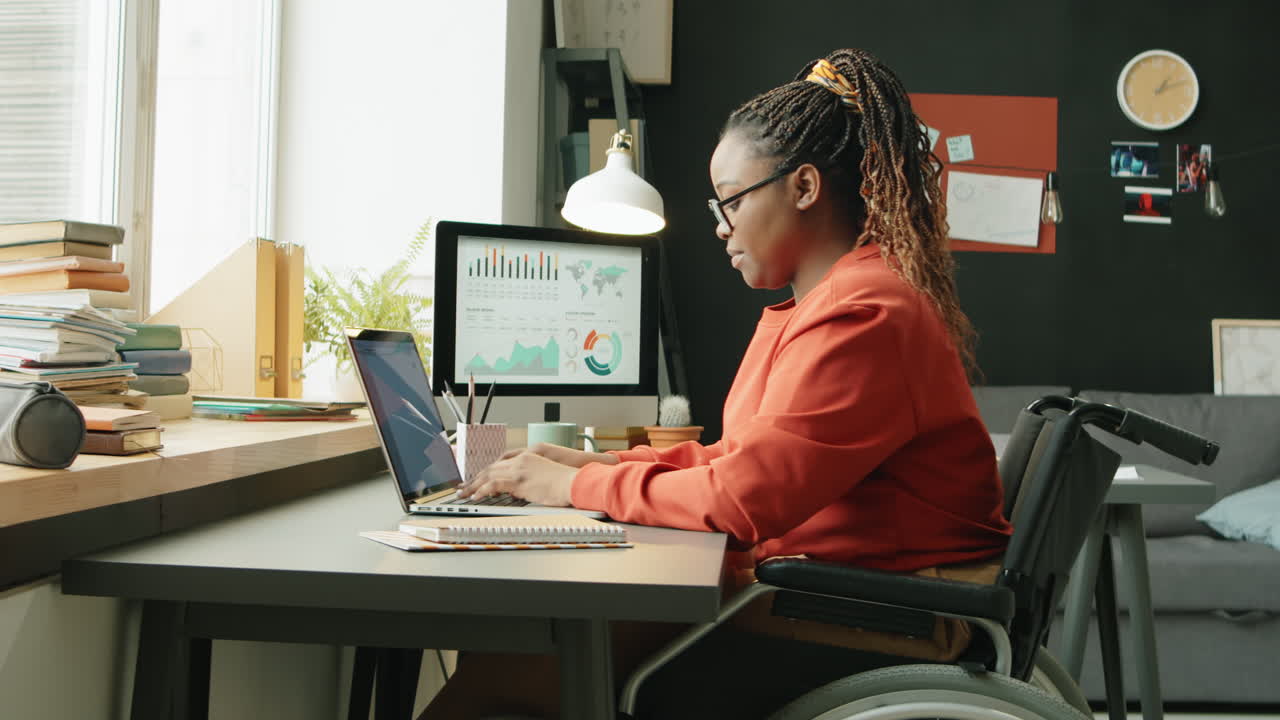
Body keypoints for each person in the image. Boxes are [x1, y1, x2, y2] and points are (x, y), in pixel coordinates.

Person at [420, 48, 1012, 720]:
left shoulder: (865, 315)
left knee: (517, 669)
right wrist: (598, 464)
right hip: (838, 596)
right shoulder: (834, 304)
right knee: (520, 658)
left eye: (730, 200)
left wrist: (576, 486)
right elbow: (741, 462)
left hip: (877, 619)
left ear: (805, 187)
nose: (719, 224)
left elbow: (740, 499)